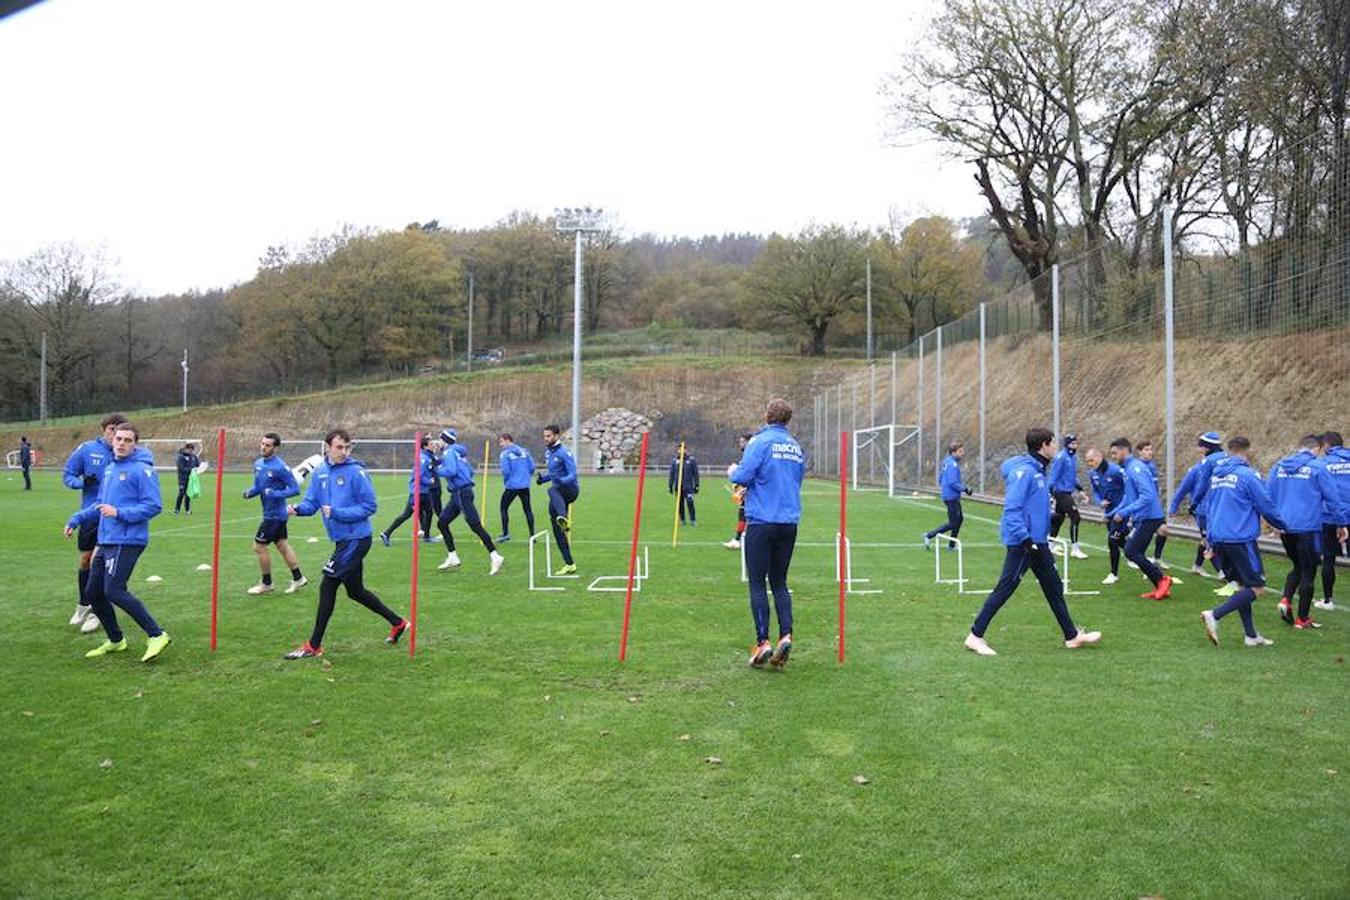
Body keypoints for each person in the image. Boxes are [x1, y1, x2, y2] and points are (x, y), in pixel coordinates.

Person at [964, 428, 1101, 656]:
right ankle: (975, 635)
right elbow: (1012, 509)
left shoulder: (1037, 469)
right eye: (1054, 443)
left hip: (1038, 542)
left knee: (1054, 587)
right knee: (1005, 588)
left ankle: (1072, 636)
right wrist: (1025, 538)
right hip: (1024, 543)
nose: (1056, 447)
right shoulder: (1025, 473)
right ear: (1044, 446)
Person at [284, 428, 408, 659]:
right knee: (355, 591)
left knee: (327, 584)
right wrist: (297, 509)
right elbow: (312, 504)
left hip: (357, 539)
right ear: (327, 447)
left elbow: (370, 506)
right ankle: (398, 622)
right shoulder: (320, 473)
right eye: (339, 447)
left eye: (347, 447)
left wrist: (338, 513)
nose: (343, 452)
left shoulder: (356, 472)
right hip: (342, 541)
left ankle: (313, 645)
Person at [64, 422, 171, 662]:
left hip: (127, 539)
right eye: (118, 439)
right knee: (92, 593)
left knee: (114, 590)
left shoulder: (142, 470)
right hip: (106, 538)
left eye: (127, 440)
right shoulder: (110, 469)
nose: (121, 443)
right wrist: (76, 519)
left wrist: (120, 512)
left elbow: (153, 505)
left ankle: (157, 634)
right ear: (111, 440)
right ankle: (116, 640)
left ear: (135, 444)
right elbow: (100, 503)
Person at [730, 399, 805, 668]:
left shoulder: (759, 442)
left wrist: (732, 473)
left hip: (762, 520)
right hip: (789, 521)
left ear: (767, 416)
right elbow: (797, 480)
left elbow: (745, 474)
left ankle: (763, 642)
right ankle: (786, 635)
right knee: (780, 582)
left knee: (757, 582)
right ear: (788, 420)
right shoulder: (796, 447)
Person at [1200, 437, 1287, 648]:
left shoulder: (1216, 476)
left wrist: (1210, 540)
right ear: (1247, 451)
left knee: (1241, 587)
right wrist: (1282, 524)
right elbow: (1264, 504)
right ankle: (1215, 615)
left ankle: (1251, 635)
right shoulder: (1248, 475)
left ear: (1229, 451)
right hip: (1239, 538)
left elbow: (1210, 508)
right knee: (1257, 588)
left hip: (1220, 537)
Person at [1269, 434, 1346, 629]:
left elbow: (1267, 494)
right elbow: (1332, 498)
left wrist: (1274, 521)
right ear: (1318, 448)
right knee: (1309, 569)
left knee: (1297, 565)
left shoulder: (1279, 466)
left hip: (1286, 526)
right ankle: (1302, 619)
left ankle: (1286, 599)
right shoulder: (1317, 467)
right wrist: (1341, 523)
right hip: (1308, 527)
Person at [62, 413, 128, 633]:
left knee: (100, 564)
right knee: (85, 561)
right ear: (104, 430)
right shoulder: (87, 449)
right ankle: (83, 604)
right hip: (90, 515)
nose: (115, 435)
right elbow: (68, 474)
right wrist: (80, 483)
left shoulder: (126, 453)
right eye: (111, 429)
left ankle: (96, 612)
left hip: (113, 518)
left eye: (119, 431)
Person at [243, 432, 307, 596]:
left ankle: (266, 583)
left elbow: (295, 489)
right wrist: (250, 492)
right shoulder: (258, 464)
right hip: (269, 513)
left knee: (259, 546)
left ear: (275, 448)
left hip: (276, 516)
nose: (263, 447)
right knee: (282, 546)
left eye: (268, 445)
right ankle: (299, 578)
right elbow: (259, 486)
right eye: (262, 443)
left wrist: (276, 494)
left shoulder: (280, 467)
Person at [434, 428, 505, 575]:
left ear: (445, 440)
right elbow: (470, 471)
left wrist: (436, 470)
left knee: (475, 525)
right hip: (459, 493)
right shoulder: (457, 452)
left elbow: (451, 471)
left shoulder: (448, 452)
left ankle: (495, 555)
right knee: (442, 522)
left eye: (440, 439)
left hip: (461, 492)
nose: (438, 442)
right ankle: (452, 556)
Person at [1110, 438, 1173, 600]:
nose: (1113, 457)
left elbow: (1147, 496)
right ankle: (1160, 585)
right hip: (1144, 516)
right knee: (1134, 551)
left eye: (1115, 453)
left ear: (1124, 451)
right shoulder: (1129, 468)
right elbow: (1129, 496)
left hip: (1149, 516)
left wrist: (1124, 513)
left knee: (1131, 551)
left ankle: (1162, 580)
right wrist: (1117, 511)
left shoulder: (1135, 468)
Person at [1170, 434, 1227, 579]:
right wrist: (1174, 506)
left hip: (1217, 510)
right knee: (1209, 540)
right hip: (1202, 511)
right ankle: (1222, 572)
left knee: (1208, 539)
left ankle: (1197, 566)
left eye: (1200, 445)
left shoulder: (1224, 466)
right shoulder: (1196, 470)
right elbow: (1182, 489)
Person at [378, 434, 437, 547]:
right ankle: (386, 533)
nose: (433, 445)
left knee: (429, 512)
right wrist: (430, 481)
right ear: (425, 447)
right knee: (406, 514)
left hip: (424, 492)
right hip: (417, 492)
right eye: (431, 444)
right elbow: (418, 476)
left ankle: (426, 536)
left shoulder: (428, 457)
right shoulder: (423, 459)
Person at [537, 424, 579, 575]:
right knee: (556, 529)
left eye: (548, 436)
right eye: (544, 436)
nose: (546, 438)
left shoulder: (564, 452)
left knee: (552, 489)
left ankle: (564, 519)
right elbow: (554, 474)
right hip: (558, 495)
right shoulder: (548, 453)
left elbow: (573, 474)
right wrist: (544, 479)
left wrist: (562, 481)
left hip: (570, 490)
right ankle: (569, 564)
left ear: (556, 436)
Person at [1315, 431, 1350, 611]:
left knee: (1328, 559)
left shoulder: (1322, 464)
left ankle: (1328, 600)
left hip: (1329, 516)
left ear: (1327, 445)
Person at [1084, 447, 1128, 585]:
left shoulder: (1115, 471)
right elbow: (1096, 492)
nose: (1090, 463)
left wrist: (1125, 509)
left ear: (1100, 456)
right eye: (1088, 461)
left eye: (1092, 460)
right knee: (1119, 540)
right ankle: (1137, 555)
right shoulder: (1092, 474)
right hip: (1108, 512)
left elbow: (1128, 489)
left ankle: (1113, 574)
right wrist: (1100, 501)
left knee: (1112, 541)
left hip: (1121, 511)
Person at [923, 441, 973, 551]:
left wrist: (945, 488)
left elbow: (941, 478)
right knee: (953, 522)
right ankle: (929, 535)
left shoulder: (947, 461)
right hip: (951, 497)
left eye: (962, 451)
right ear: (953, 452)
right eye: (960, 451)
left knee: (959, 519)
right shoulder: (953, 465)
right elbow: (953, 483)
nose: (962, 453)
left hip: (949, 495)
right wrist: (965, 489)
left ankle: (951, 545)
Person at [1048, 433, 1088, 559]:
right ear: (1066, 445)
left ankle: (1050, 544)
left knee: (1059, 518)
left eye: (1076, 443)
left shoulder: (1072, 457)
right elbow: (1053, 476)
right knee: (1075, 517)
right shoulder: (1061, 457)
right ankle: (1075, 548)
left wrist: (1080, 489)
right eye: (1072, 444)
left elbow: (1072, 476)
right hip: (1060, 492)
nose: (1075, 446)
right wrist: (1049, 493)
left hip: (1067, 491)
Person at [497, 433, 536, 542]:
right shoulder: (525, 451)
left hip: (512, 486)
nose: (501, 444)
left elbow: (506, 471)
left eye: (501, 442)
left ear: (508, 440)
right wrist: (525, 477)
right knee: (527, 509)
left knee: (503, 508)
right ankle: (532, 536)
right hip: (524, 486)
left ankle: (505, 534)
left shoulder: (505, 454)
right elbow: (532, 468)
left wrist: (507, 481)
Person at [1137, 440, 1169, 569]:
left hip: (1154, 506)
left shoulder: (1152, 466)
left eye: (1150, 449)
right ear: (1139, 452)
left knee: (1163, 530)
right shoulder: (1138, 467)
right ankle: (1140, 559)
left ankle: (1157, 558)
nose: (1150, 452)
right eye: (1146, 449)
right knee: (1144, 535)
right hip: (1143, 507)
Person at [723, 433, 753, 550]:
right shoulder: (747, 456)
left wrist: (736, 474)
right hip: (746, 492)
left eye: (742, 442)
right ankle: (738, 539)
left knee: (747, 516)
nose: (740, 444)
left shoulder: (751, 455)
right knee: (743, 516)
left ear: (748, 442)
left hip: (751, 493)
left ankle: (739, 539)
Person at [668, 444, 701, 526]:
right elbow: (672, 474)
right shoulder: (675, 461)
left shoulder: (691, 460)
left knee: (690, 502)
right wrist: (670, 485)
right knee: (680, 504)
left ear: (686, 450)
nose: (681, 451)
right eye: (679, 449)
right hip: (678, 487)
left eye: (683, 449)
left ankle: (693, 520)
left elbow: (695, 474)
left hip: (688, 487)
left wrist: (696, 485)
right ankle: (682, 520)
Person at [173, 442, 200, 514]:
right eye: (190, 450)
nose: (191, 452)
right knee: (181, 493)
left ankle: (187, 509)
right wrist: (190, 470)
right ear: (186, 449)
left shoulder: (193, 456)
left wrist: (199, 468)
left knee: (188, 494)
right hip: (182, 478)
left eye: (192, 451)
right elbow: (181, 468)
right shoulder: (181, 457)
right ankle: (177, 509)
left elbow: (197, 464)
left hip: (191, 479)